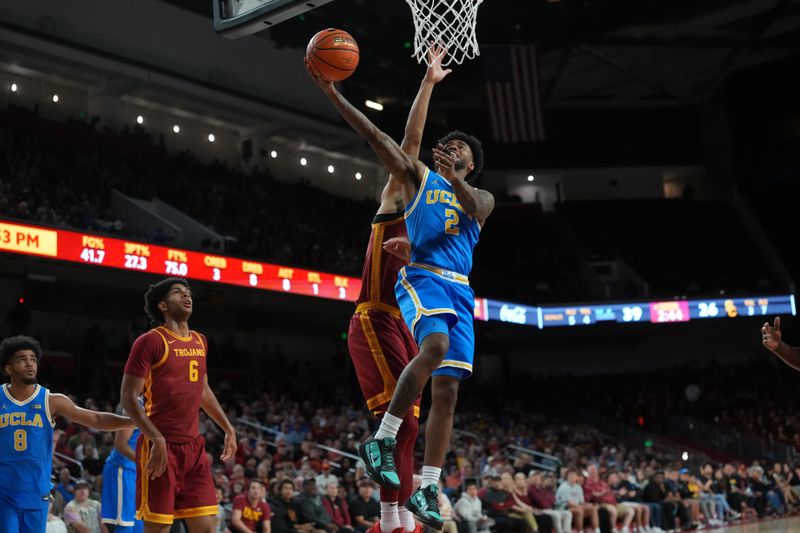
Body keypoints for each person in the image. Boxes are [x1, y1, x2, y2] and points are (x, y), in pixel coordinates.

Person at [307, 44, 494, 532]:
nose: (452, 153)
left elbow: (476, 204)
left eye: (462, 153)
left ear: (471, 165)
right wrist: (337, 92)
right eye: (448, 148)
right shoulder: (411, 180)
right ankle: (384, 459)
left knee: (445, 394)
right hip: (395, 302)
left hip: (455, 291)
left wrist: (455, 179)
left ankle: (424, 490)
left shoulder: (477, 196)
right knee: (428, 359)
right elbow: (384, 136)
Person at [346, 45, 450, 533]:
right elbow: (409, 141)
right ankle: (391, 522)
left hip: (408, 330)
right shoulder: (399, 196)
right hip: (375, 316)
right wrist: (428, 83)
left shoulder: (439, 224)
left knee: (408, 429)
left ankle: (401, 520)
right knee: (402, 427)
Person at [120, 278, 237, 532]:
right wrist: (156, 438)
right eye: (178, 292)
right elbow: (128, 398)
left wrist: (228, 427)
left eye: (188, 293)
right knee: (159, 529)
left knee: (206, 526)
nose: (187, 296)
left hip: (194, 448)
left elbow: (203, 390)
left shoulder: (200, 341)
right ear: (162, 305)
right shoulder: (150, 341)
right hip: (160, 445)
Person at [0, 335, 133, 533]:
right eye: (22, 359)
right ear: (8, 368)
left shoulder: (51, 400)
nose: (29, 364)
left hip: (37, 491)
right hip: (4, 492)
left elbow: (95, 419)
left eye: (33, 359)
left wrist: (133, 420)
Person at [101, 424, 143, 533]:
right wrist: (142, 462)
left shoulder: (159, 411)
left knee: (139, 520)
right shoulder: (135, 409)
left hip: (138, 470)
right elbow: (120, 444)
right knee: (125, 521)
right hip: (123, 467)